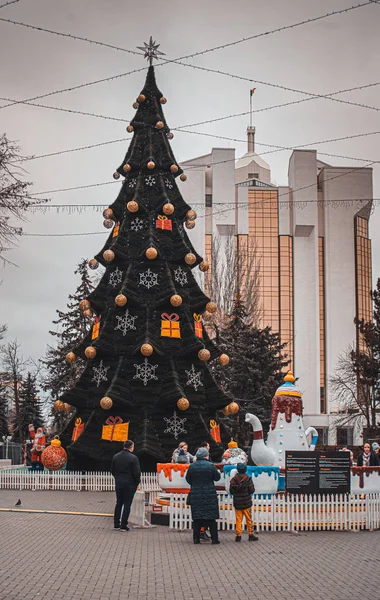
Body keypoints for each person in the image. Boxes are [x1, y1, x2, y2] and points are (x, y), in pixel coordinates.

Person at [185, 447, 221, 545]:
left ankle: (196, 539)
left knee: (197, 518)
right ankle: (214, 539)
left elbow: (188, 479)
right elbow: (217, 478)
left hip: (196, 494)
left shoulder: (192, 466)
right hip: (209, 494)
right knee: (211, 519)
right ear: (206, 456)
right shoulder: (210, 466)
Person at [111, 440, 141, 531]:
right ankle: (123, 525)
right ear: (131, 447)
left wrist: (118, 478)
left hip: (119, 482)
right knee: (127, 504)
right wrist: (136, 482)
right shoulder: (133, 458)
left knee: (119, 502)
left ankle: (116, 523)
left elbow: (112, 470)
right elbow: (137, 472)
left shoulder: (116, 456)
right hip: (130, 483)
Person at [229, 463, 258, 542]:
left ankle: (238, 535)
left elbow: (231, 491)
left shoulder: (233, 480)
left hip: (237, 503)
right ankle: (250, 534)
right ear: (245, 470)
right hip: (246, 502)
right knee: (248, 519)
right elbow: (252, 490)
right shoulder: (248, 479)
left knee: (238, 519)